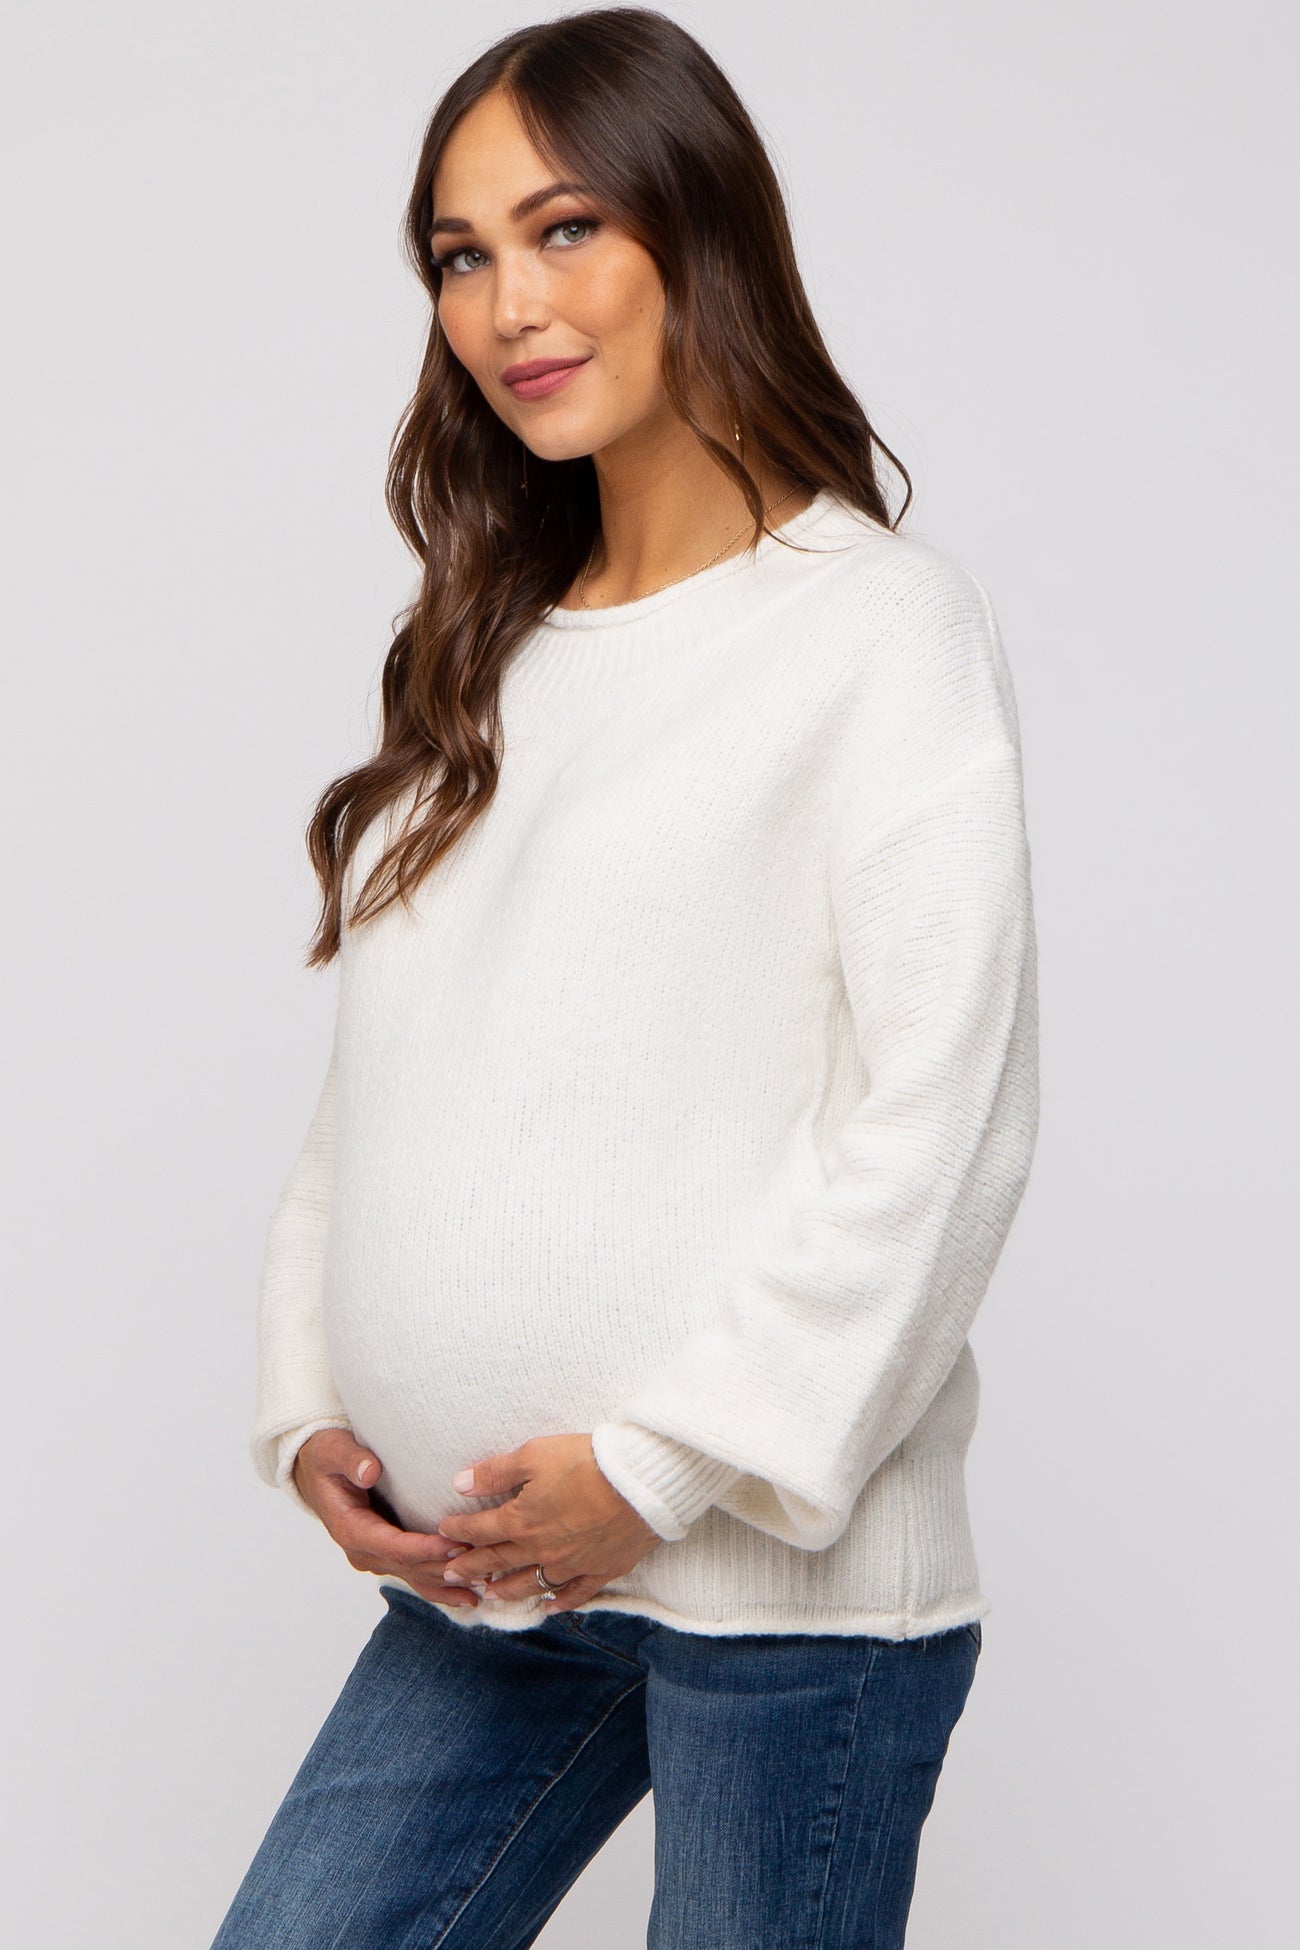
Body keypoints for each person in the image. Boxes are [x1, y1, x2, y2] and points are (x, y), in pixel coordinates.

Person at [211, 9, 1039, 1946]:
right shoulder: (482, 651)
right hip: (491, 1580)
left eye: (565, 227)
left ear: (697, 231)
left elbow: (943, 1120)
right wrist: (310, 1402)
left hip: (782, 1608)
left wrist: (663, 1470)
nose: (509, 303)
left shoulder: (874, 630)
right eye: (461, 254)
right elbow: (385, 1089)